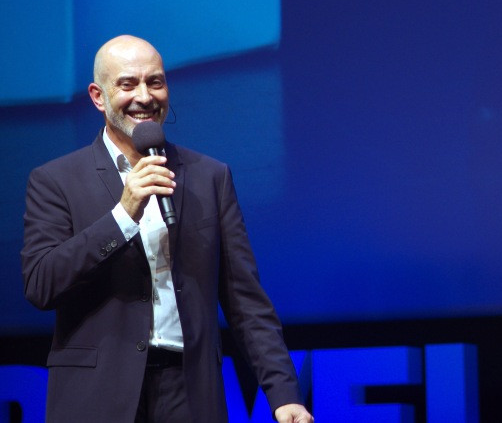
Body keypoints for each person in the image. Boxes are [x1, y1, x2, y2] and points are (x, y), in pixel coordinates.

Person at [21, 35, 314, 423]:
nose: (144, 96)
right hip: (97, 394)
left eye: (155, 82)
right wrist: (124, 214)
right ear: (97, 96)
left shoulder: (210, 177)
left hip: (189, 391)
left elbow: (246, 301)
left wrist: (283, 394)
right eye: (127, 84)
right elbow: (42, 284)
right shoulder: (55, 180)